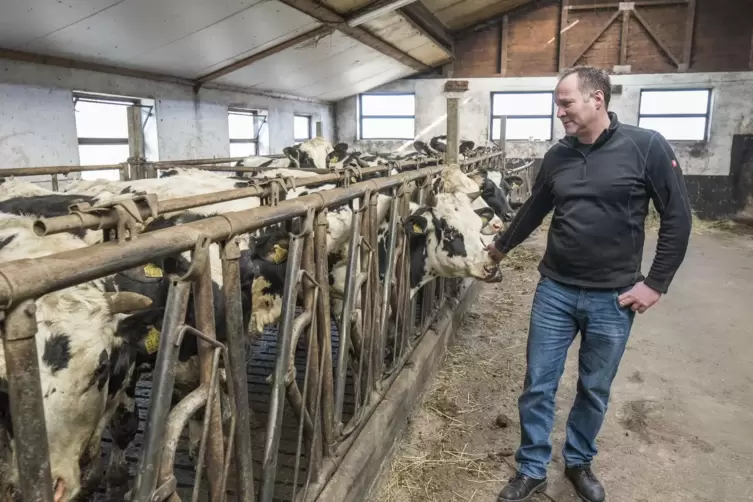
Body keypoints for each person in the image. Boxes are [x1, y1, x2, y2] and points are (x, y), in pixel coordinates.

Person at [488, 66, 692, 502]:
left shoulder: (646, 146)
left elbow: (677, 216)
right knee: (538, 383)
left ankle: (578, 462)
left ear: (597, 99)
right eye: (557, 103)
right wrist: (500, 247)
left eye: (566, 102)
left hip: (613, 297)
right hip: (555, 290)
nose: (559, 111)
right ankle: (532, 468)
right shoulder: (558, 155)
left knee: (594, 387)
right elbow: (533, 211)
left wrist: (656, 283)